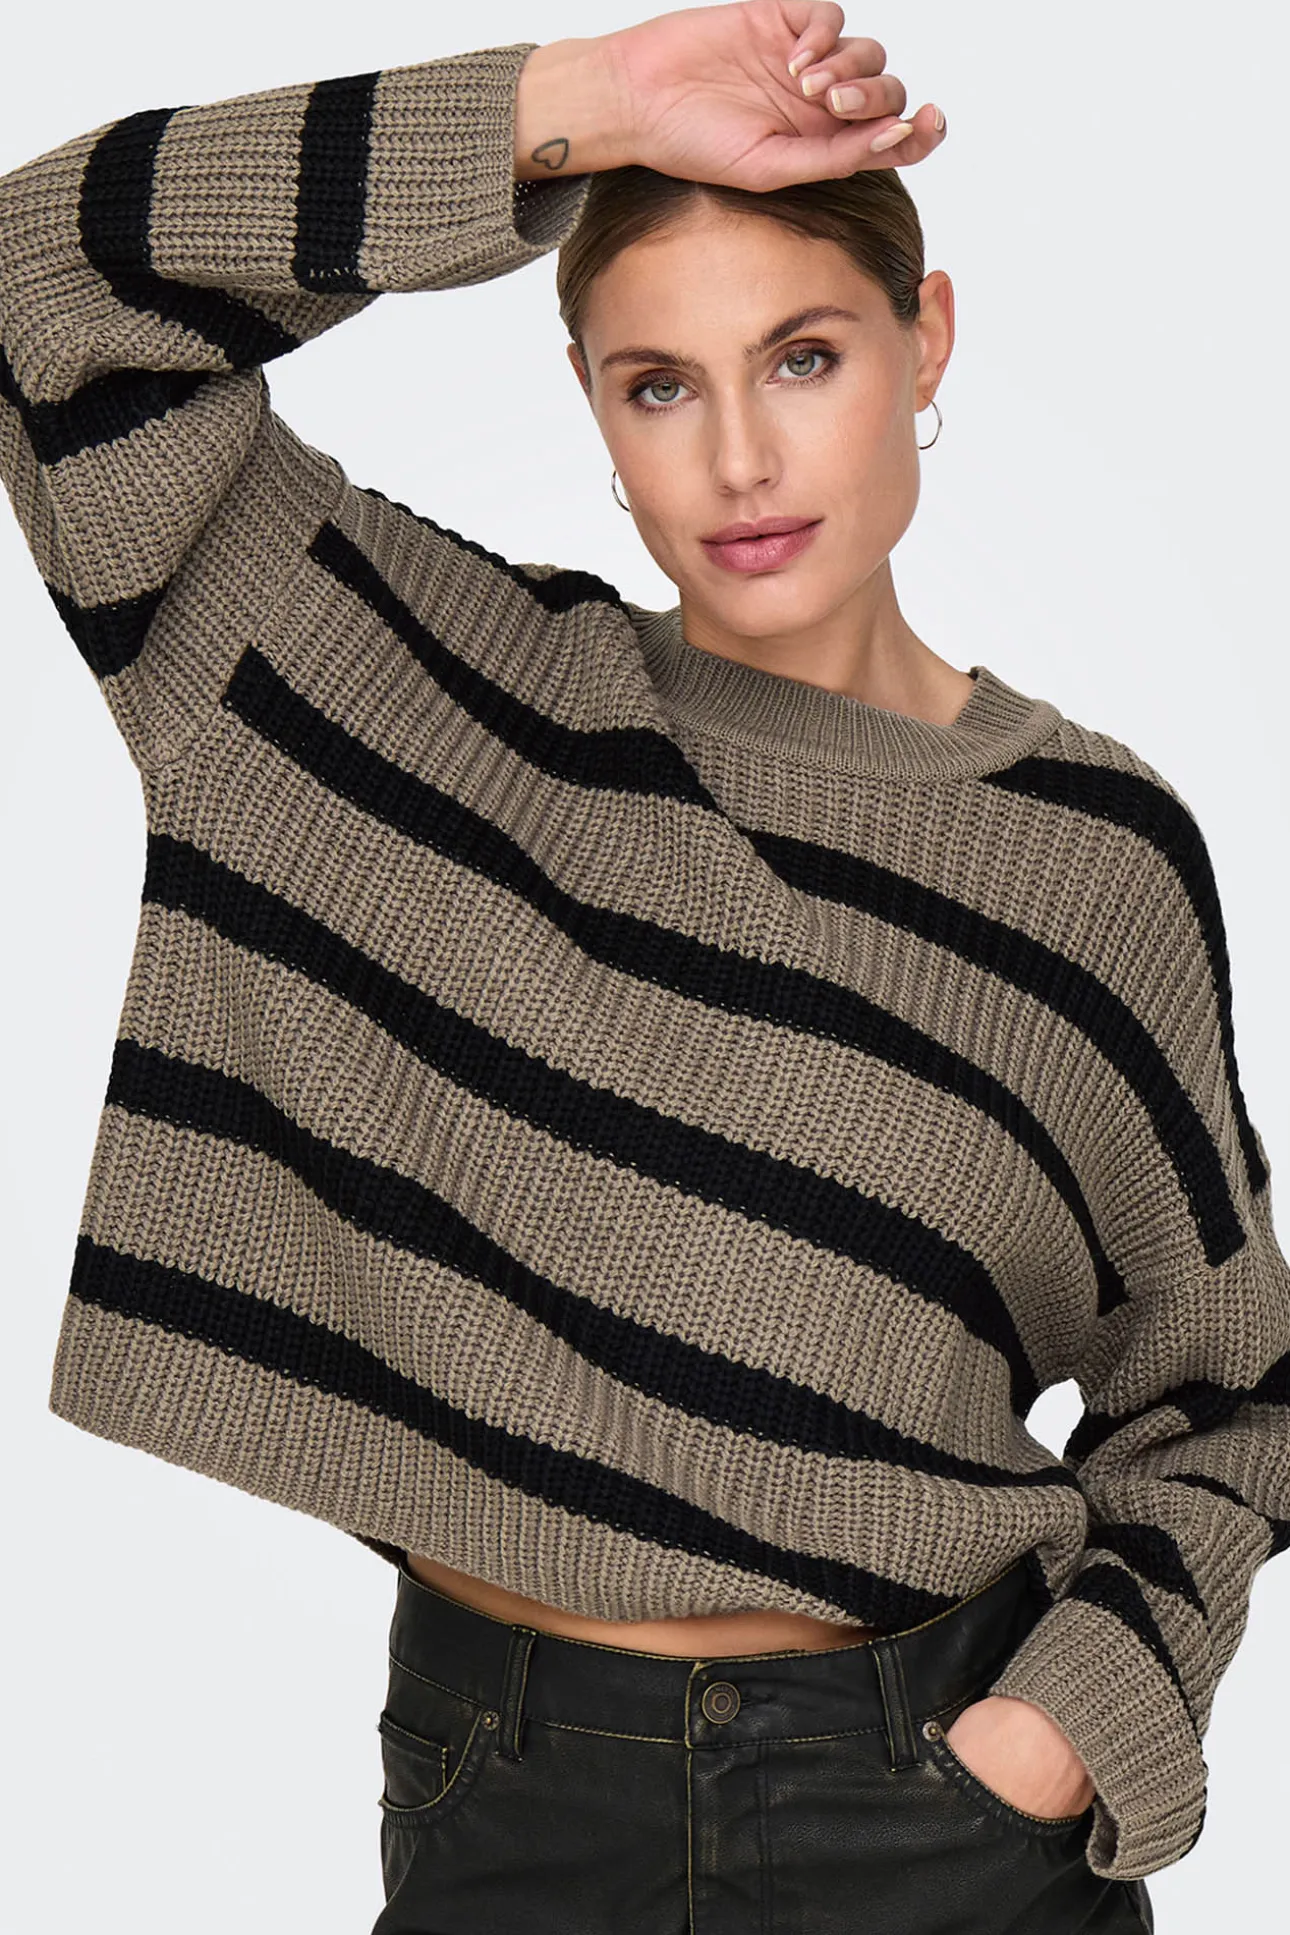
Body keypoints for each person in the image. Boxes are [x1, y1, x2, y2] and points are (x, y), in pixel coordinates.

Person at [1, 1, 1285, 1927]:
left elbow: (1223, 1391)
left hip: (934, 1804)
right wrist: (571, 107)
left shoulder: (1091, 854)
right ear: (591, 404)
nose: (741, 457)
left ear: (926, 340)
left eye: (803, 356)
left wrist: (1065, 1728)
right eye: (658, 383)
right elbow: (44, 282)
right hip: (507, 1792)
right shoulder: (397, 683)